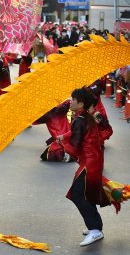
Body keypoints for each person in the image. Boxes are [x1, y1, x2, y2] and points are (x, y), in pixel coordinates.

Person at [58, 89, 110, 247]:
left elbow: (73, 148)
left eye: (73, 99)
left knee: (77, 195)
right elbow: (105, 130)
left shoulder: (80, 120)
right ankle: (96, 227)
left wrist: (61, 144)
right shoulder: (87, 116)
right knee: (87, 194)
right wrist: (65, 137)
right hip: (94, 161)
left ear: (80, 103)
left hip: (89, 164)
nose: (70, 101)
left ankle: (95, 229)